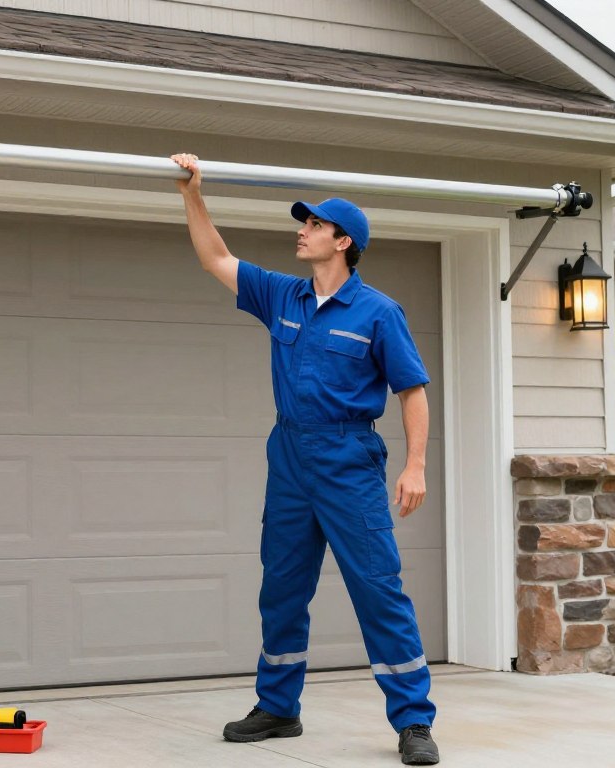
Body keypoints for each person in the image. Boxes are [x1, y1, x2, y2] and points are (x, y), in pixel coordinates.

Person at [171, 153, 440, 765]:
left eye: (314, 225)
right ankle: (278, 706)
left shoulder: (378, 312)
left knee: (377, 588)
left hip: (348, 457)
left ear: (343, 242)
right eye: (305, 223)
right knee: (283, 586)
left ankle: (413, 720)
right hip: (290, 454)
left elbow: (412, 391)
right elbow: (216, 257)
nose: (302, 230)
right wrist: (193, 195)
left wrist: (415, 464)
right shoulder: (281, 295)